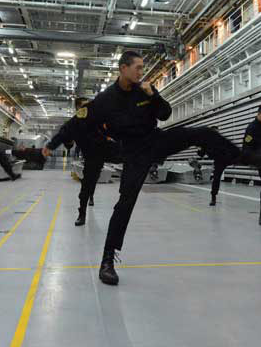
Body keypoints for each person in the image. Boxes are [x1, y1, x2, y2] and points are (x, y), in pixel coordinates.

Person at [76, 51, 239, 285]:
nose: (142, 72)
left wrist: (154, 96)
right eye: (138, 68)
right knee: (125, 203)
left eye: (143, 68)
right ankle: (107, 261)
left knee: (203, 133)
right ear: (123, 68)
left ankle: (238, 156)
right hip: (133, 152)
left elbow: (165, 114)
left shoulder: (145, 90)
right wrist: (107, 143)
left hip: (156, 140)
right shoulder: (105, 100)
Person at [41, 97, 121, 226]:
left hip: (107, 149)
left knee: (130, 153)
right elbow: (63, 135)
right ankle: (82, 214)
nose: (87, 108)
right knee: (87, 185)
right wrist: (50, 146)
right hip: (92, 157)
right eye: (84, 106)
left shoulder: (98, 117)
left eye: (89, 105)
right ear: (78, 108)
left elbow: (114, 125)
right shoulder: (74, 124)